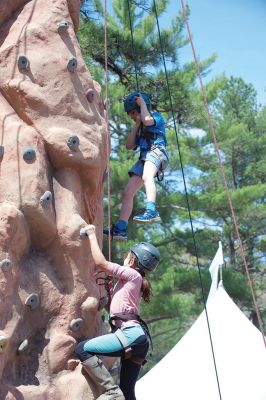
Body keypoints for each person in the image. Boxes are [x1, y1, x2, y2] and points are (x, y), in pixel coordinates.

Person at [75, 224, 160, 400]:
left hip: (130, 335)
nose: (125, 257)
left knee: (83, 349)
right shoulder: (131, 281)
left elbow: (101, 263)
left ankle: (110, 391)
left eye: (128, 254)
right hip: (137, 339)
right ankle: (117, 393)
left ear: (133, 260)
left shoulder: (132, 275)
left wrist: (91, 234)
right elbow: (115, 310)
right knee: (127, 391)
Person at [104, 91, 168, 241]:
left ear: (141, 108)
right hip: (144, 158)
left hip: (156, 152)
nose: (131, 116)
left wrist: (143, 106)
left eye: (133, 112)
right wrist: (137, 124)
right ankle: (120, 228)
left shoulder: (156, 117)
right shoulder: (140, 126)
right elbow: (129, 145)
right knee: (127, 192)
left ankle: (151, 211)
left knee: (147, 176)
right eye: (130, 114)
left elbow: (147, 120)